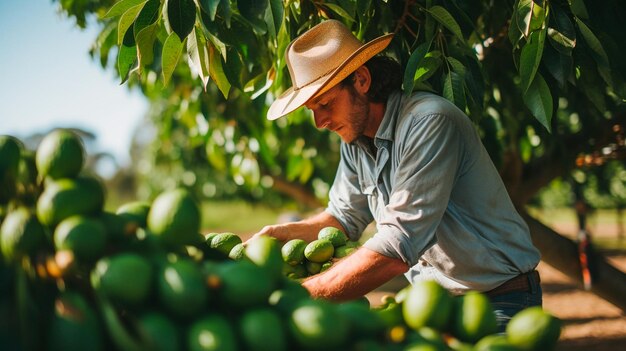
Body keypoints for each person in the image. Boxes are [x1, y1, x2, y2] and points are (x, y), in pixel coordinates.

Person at [254, 19, 542, 329]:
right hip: (432, 307)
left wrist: (299, 296)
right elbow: (342, 220)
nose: (319, 121)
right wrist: (276, 235)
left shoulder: (429, 122)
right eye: (311, 109)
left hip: (499, 301)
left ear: (361, 80)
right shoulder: (355, 140)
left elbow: (397, 246)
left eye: (325, 103)